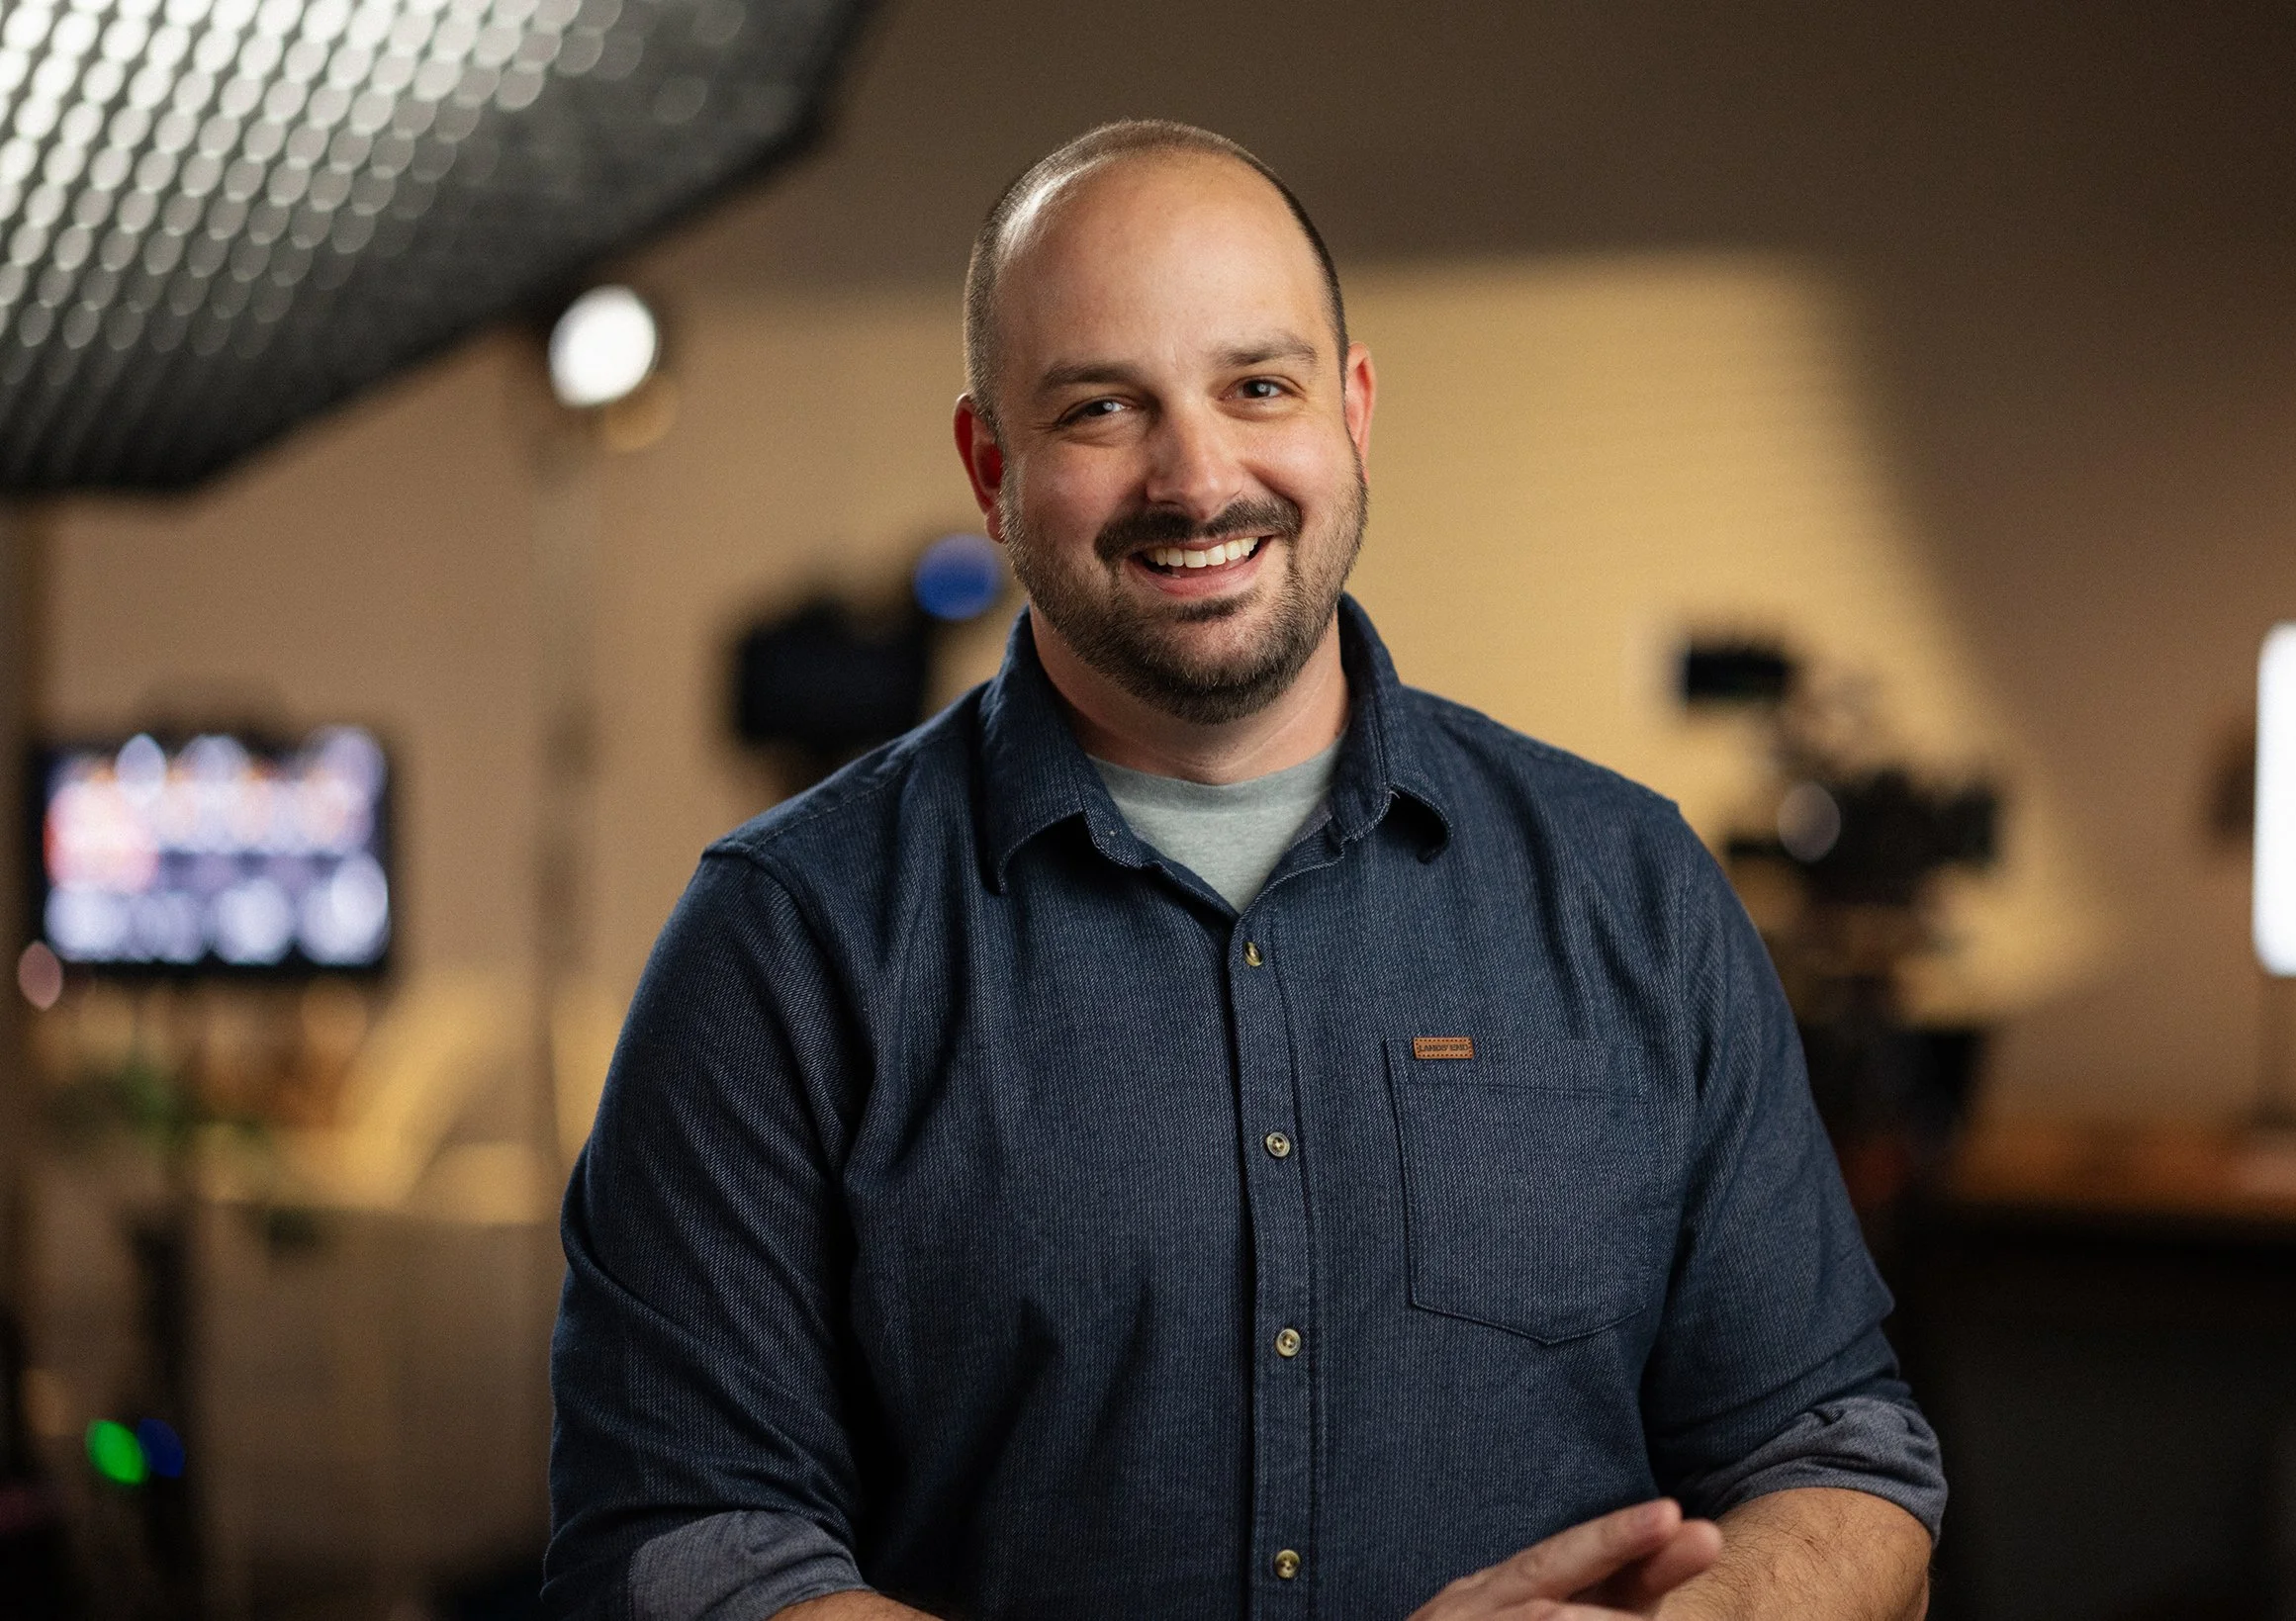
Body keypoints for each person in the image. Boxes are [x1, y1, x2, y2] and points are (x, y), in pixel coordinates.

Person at [544, 121, 1944, 1621]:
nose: (1195, 477)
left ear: (1350, 411)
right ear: (989, 463)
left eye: (1255, 387)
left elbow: (1837, 1447)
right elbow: (685, 1539)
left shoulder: (1630, 888)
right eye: (1100, 408)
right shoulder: (786, 946)